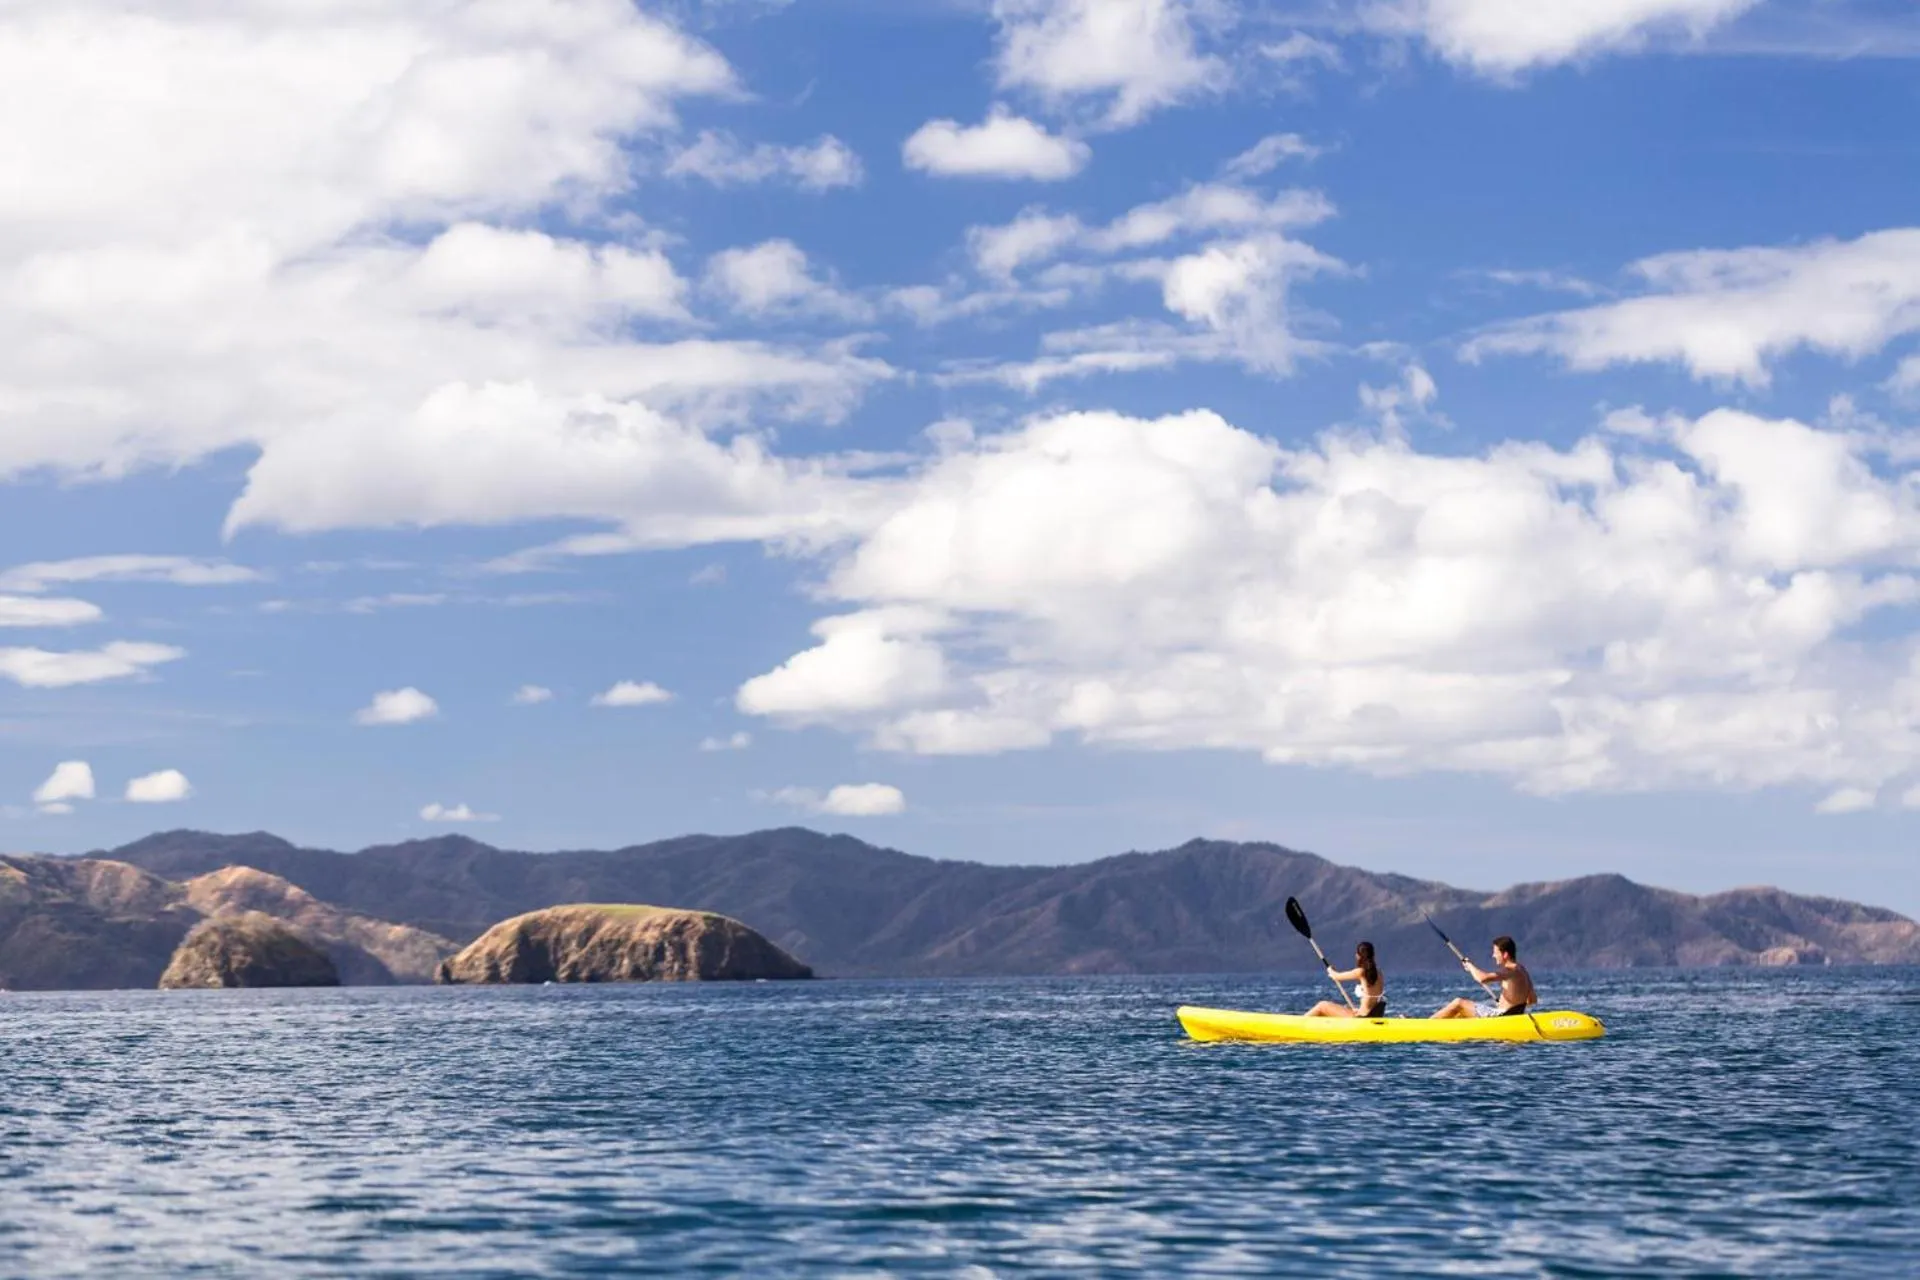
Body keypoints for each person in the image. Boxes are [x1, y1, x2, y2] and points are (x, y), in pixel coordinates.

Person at [1433, 934, 1536, 1018]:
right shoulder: (1522, 970)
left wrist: (1469, 965)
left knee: (1458, 1003)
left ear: (1505, 954)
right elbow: (1532, 1000)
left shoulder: (1510, 970)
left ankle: (1426, 1025)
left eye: (1495, 952)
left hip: (1502, 1017)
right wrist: (1508, 1001)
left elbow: (1482, 978)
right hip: (1512, 1016)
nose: (1493, 955)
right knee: (1460, 1014)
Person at [1306, 941, 1386, 1017]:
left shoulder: (1360, 972)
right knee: (1345, 1007)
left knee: (1322, 1005)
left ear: (1358, 956)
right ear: (1373, 955)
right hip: (1372, 1015)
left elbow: (1335, 976)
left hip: (1362, 1017)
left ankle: (1299, 1023)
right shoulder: (1379, 973)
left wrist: (1330, 969)